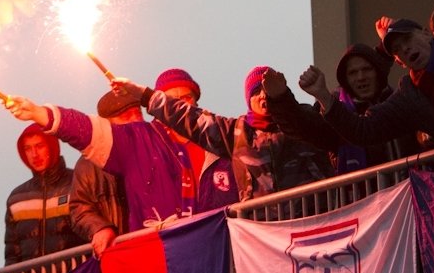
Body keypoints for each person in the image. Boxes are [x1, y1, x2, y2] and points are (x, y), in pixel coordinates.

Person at [4, 68, 238, 232]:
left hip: (218, 256)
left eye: (186, 97)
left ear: (196, 102)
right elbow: (88, 130)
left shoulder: (221, 142)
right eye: (169, 98)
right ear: (159, 105)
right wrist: (39, 113)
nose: (178, 104)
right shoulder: (140, 141)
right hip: (163, 259)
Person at [112, 66, 335, 203]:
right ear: (248, 99)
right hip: (265, 239)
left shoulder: (303, 120)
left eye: (269, 89)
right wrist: (143, 95)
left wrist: (285, 101)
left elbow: (330, 129)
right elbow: (190, 119)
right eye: (256, 91)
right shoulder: (236, 133)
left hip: (313, 226)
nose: (263, 96)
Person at [281, 19, 434, 152]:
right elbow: (365, 130)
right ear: (399, 62)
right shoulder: (409, 95)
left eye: (407, 39)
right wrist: (323, 96)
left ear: (426, 33)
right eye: (397, 49)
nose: (405, 49)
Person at [4, 124, 85, 266]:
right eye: (27, 149)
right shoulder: (17, 199)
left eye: (40, 146)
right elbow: (12, 256)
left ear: (52, 146)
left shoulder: (78, 183)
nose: (34, 154)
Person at [68, 91, 134, 257]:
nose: (135, 120)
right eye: (126, 116)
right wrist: (99, 227)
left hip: (155, 250)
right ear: (108, 125)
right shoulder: (88, 165)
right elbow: (79, 208)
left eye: (138, 113)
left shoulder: (156, 151)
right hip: (116, 255)